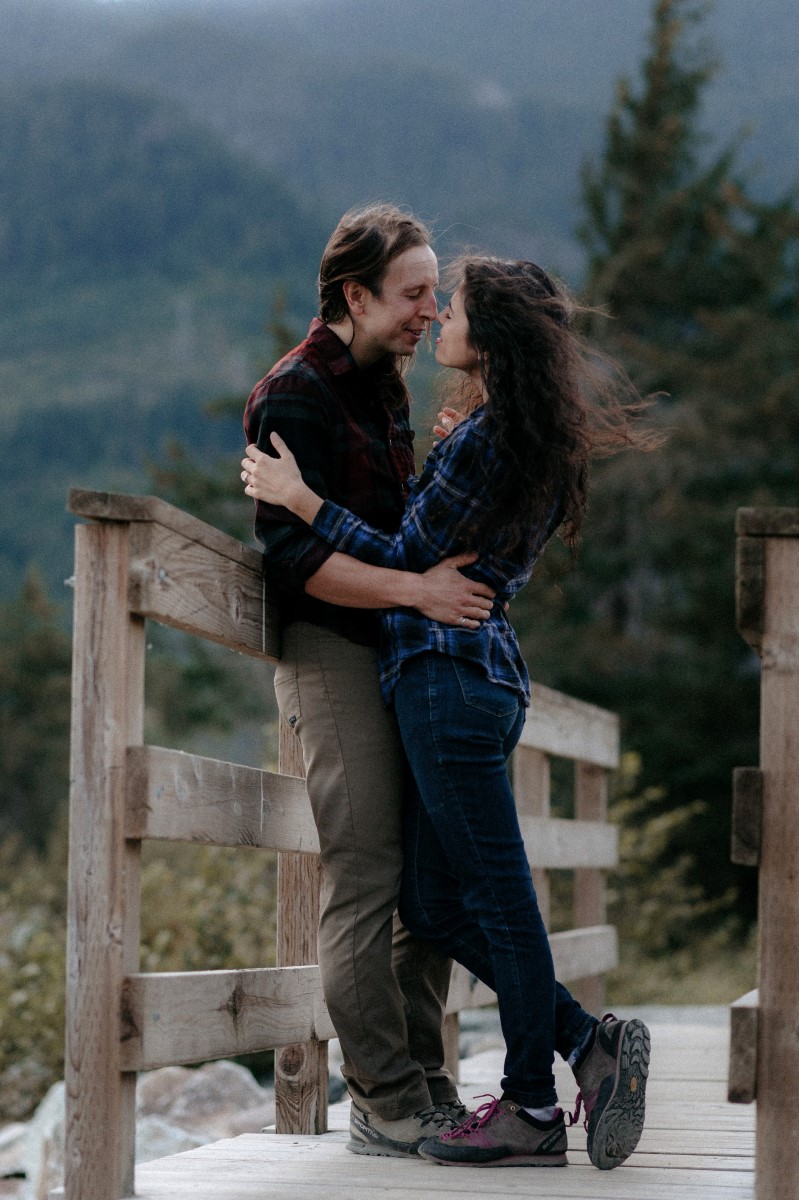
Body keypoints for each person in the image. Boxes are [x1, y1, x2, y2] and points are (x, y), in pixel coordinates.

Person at [242, 255, 654, 1170]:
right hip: (474, 680)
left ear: (491, 337)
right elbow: (439, 538)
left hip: (446, 681)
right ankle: (585, 1041)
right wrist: (446, 456)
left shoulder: (489, 438)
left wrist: (301, 499)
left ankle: (532, 1108)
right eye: (425, 298)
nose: (438, 318)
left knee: (499, 904)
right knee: (430, 903)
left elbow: (403, 556)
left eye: (453, 304)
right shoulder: (510, 431)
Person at [243, 205, 498, 1159]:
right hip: (332, 649)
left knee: (428, 883)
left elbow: (393, 519)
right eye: (414, 294)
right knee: (365, 877)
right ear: (355, 294)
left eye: (437, 294)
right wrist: (418, 593)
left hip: (400, 648)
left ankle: (428, 1082)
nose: (432, 313)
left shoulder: (387, 382)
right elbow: (293, 560)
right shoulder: (291, 396)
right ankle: (384, 1100)